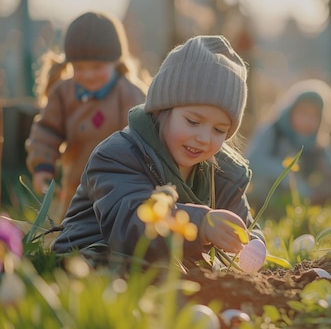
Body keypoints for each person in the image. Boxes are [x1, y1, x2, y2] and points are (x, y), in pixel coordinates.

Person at [52, 35, 264, 263]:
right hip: (94, 261)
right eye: (193, 122)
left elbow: (245, 224)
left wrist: (252, 242)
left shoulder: (222, 174)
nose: (204, 138)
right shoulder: (118, 155)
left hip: (164, 270)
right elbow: (129, 223)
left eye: (219, 130)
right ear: (162, 110)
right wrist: (201, 224)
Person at [25, 11, 147, 222]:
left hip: (120, 184)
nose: (88, 75)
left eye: (97, 67)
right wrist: (43, 164)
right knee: (71, 230)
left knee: (116, 228)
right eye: (79, 68)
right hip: (76, 183)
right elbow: (47, 130)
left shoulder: (127, 93)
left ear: (115, 62)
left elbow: (144, 132)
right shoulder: (63, 93)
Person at [246, 79, 331, 219]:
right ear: (290, 111)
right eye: (303, 113)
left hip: (303, 204)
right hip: (267, 200)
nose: (307, 121)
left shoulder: (320, 143)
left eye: (314, 116)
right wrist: (288, 176)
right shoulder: (273, 131)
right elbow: (253, 161)